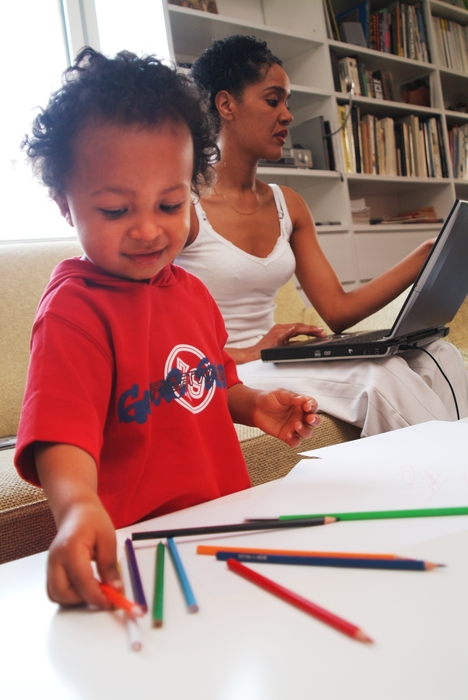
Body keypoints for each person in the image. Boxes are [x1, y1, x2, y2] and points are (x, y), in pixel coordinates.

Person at [14, 48, 321, 611]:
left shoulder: (191, 293)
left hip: (224, 524)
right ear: (65, 204)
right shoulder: (73, 311)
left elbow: (207, 383)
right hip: (137, 549)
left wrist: (253, 404)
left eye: (170, 203)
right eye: (114, 211)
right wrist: (79, 507)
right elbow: (63, 435)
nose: (149, 230)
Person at [176, 35, 468, 436]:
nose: (288, 115)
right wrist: (246, 351)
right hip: (229, 369)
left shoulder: (287, 204)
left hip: (274, 358)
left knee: (438, 354)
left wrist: (425, 258)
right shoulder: (180, 207)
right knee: (378, 379)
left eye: (288, 102)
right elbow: (154, 332)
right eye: (273, 100)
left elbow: (337, 309)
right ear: (226, 104)